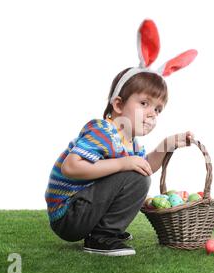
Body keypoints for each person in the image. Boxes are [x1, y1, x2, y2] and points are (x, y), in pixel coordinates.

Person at [44, 19, 198, 256]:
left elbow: (144, 168)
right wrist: (123, 163)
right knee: (134, 174)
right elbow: (71, 167)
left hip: (84, 210)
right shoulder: (102, 131)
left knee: (137, 174)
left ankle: (102, 230)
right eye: (144, 103)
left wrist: (166, 146)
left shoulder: (129, 142)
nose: (151, 113)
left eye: (157, 109)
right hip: (68, 213)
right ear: (118, 104)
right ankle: (101, 237)